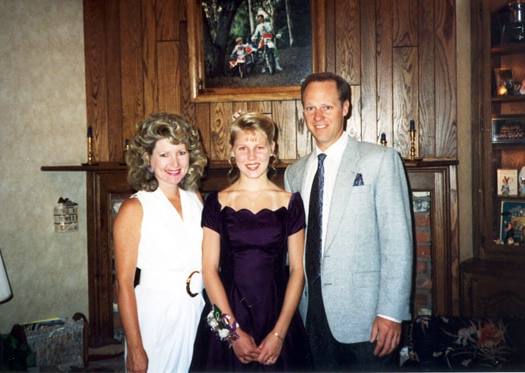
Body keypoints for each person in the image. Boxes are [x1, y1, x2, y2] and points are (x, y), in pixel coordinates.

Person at [284, 72, 413, 371]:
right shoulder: (294, 173)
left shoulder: (380, 161)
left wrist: (391, 313)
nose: (318, 116)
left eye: (327, 107)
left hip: (369, 322)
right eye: (310, 108)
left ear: (345, 107)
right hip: (310, 316)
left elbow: (398, 244)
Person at [191, 112, 312, 371]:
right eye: (243, 148)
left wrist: (279, 334)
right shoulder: (216, 202)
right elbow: (209, 271)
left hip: (277, 315)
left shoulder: (291, 202)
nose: (252, 156)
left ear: (272, 148)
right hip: (225, 313)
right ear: (232, 152)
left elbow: (297, 271)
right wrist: (232, 334)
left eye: (259, 147)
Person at [113, 112, 208, 373]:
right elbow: (123, 284)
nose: (174, 162)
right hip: (156, 319)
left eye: (181, 152)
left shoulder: (195, 198)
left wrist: (229, 331)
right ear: (148, 159)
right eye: (164, 154)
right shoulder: (134, 208)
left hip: (196, 313)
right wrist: (135, 349)